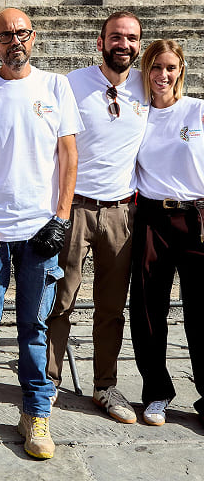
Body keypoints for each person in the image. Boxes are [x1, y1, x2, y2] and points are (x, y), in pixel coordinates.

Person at [0, 8, 82, 459]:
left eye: (21, 33)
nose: (14, 41)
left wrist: (61, 218)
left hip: (40, 230)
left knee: (34, 326)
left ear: (33, 36)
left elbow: (68, 155)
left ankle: (35, 410)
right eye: (5, 35)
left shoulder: (55, 86)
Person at [46, 11, 147, 423]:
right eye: (116, 37)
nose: (123, 44)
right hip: (77, 208)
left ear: (140, 44)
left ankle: (105, 386)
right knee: (60, 300)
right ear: (101, 41)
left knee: (111, 306)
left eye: (132, 38)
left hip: (123, 212)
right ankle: (48, 381)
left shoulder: (149, 86)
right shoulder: (72, 83)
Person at [130, 39, 204, 428]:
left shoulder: (198, 111)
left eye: (170, 67)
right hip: (152, 218)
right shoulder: (138, 114)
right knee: (147, 309)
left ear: (181, 71)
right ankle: (156, 393)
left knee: (201, 312)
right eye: (156, 67)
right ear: (146, 70)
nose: (163, 75)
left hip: (196, 218)